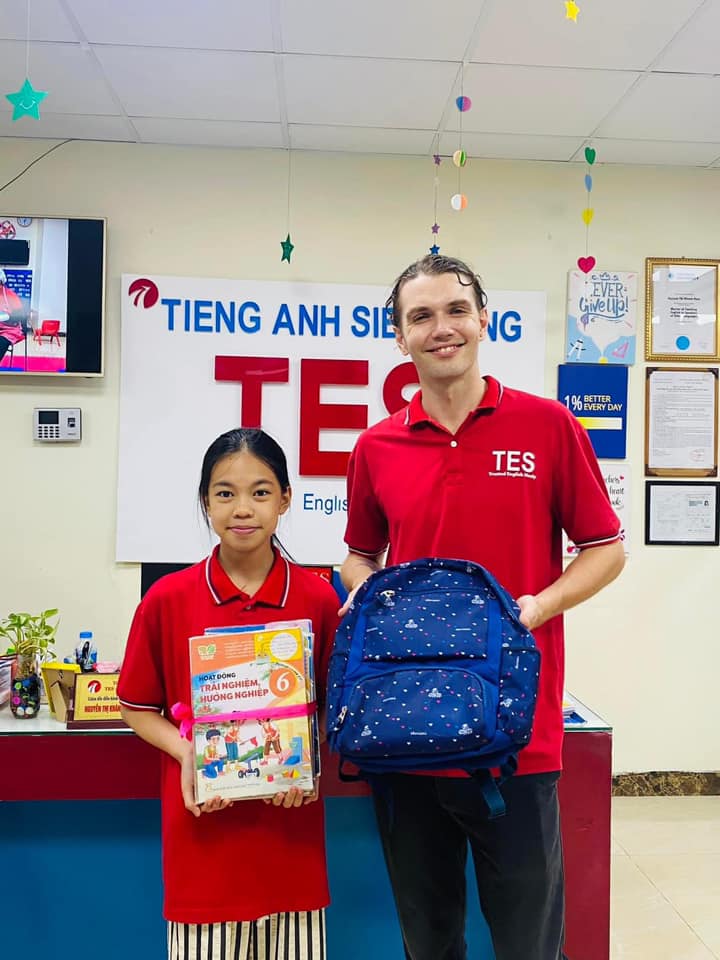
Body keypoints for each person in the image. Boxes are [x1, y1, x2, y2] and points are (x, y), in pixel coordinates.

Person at [340, 254, 625, 960]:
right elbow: (359, 556)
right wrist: (365, 597)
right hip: (406, 737)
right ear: (399, 336)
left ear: (483, 319)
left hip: (517, 738)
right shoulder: (376, 447)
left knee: (529, 943)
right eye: (421, 316)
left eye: (456, 310)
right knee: (429, 941)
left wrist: (538, 607)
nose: (441, 328)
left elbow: (606, 549)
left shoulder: (549, 426)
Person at [118, 427, 340, 960]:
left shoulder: (317, 598)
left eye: (260, 492)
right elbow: (136, 706)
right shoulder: (167, 598)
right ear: (206, 502)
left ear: (285, 499)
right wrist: (187, 753)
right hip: (202, 841)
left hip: (290, 838)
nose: (243, 508)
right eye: (225, 493)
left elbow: (333, 707)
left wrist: (307, 762)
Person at [0, 269, 26, 364]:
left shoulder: (11, 295)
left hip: (9, 329)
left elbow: (19, 316)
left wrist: (7, 318)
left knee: (1, 342)